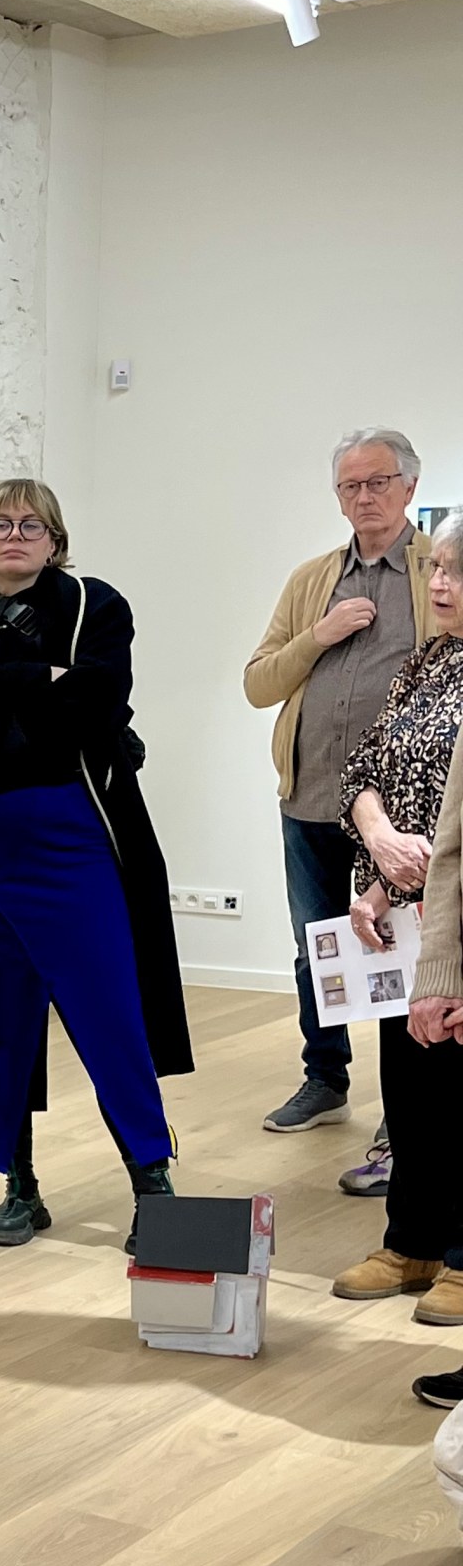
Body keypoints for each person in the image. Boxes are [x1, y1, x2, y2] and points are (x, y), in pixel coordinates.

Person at [0, 478, 192, 1249]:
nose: (14, 535)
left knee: (111, 1018)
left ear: (55, 540)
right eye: (0, 524)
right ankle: (19, 1188)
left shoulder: (95, 606)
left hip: (74, 844)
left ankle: (153, 1186)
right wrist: (39, 680)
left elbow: (98, 701)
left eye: (31, 525)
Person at [245, 429, 436, 1169]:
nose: (364, 497)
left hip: (400, 818)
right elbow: (259, 683)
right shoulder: (312, 580)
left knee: (400, 958)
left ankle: (404, 1112)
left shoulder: (437, 571)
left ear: (409, 487)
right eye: (350, 486)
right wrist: (318, 636)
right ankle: (325, 1079)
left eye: (378, 482)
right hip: (311, 798)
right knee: (314, 951)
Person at [332, 520, 463, 1320]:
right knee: (411, 1089)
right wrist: (379, 848)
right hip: (399, 915)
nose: (440, 583)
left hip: (456, 912)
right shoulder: (428, 660)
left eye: (458, 572)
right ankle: (413, 1241)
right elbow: (361, 767)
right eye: (437, 567)